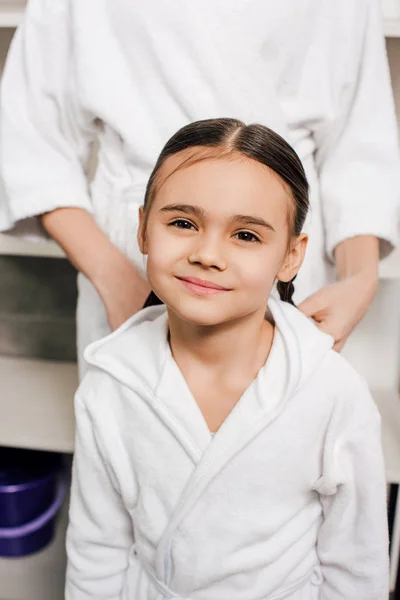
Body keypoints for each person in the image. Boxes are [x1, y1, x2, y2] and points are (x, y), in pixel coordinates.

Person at [65, 119, 389, 599]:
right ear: (142, 229)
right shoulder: (109, 385)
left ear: (291, 257)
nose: (208, 254)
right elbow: (97, 551)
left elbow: (355, 567)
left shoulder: (331, 393)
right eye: (182, 223)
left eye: (246, 236)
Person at [1, 1, 399, 378]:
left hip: (280, 260)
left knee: (294, 433)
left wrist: (358, 279)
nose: (209, 257)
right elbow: (30, 137)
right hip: (134, 265)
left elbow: (359, 139)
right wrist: (120, 284)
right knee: (130, 431)